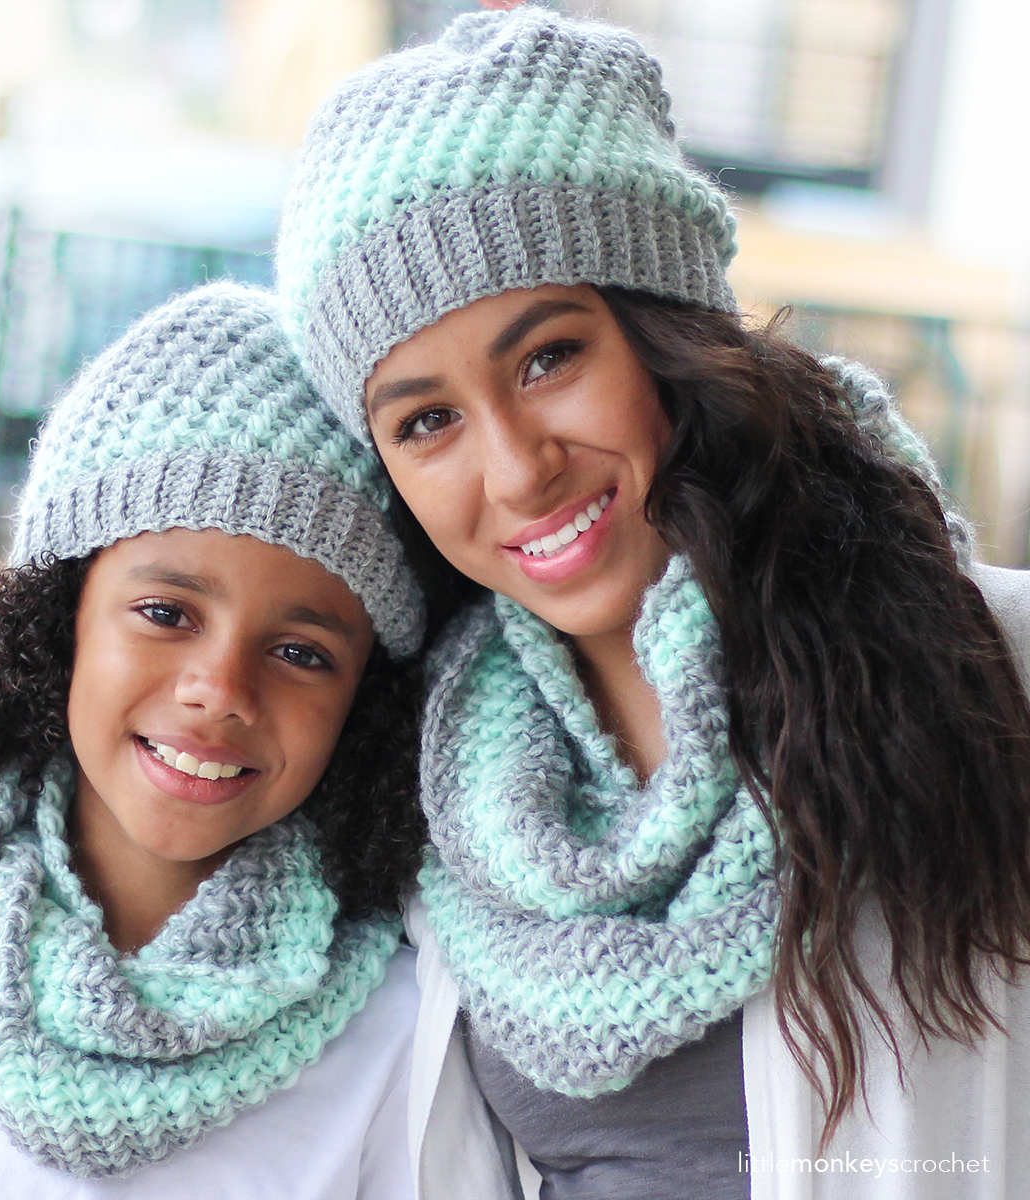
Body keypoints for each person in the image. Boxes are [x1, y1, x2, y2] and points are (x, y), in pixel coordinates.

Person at [275, 7, 1030, 1199]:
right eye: (427, 421)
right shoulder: (420, 785)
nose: (516, 469)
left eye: (548, 359)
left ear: (665, 334)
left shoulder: (990, 672)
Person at [0, 283, 427, 1199]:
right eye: (165, 613)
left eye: (301, 653)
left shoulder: (401, 1033)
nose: (219, 690)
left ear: (367, 702)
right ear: (59, 618)